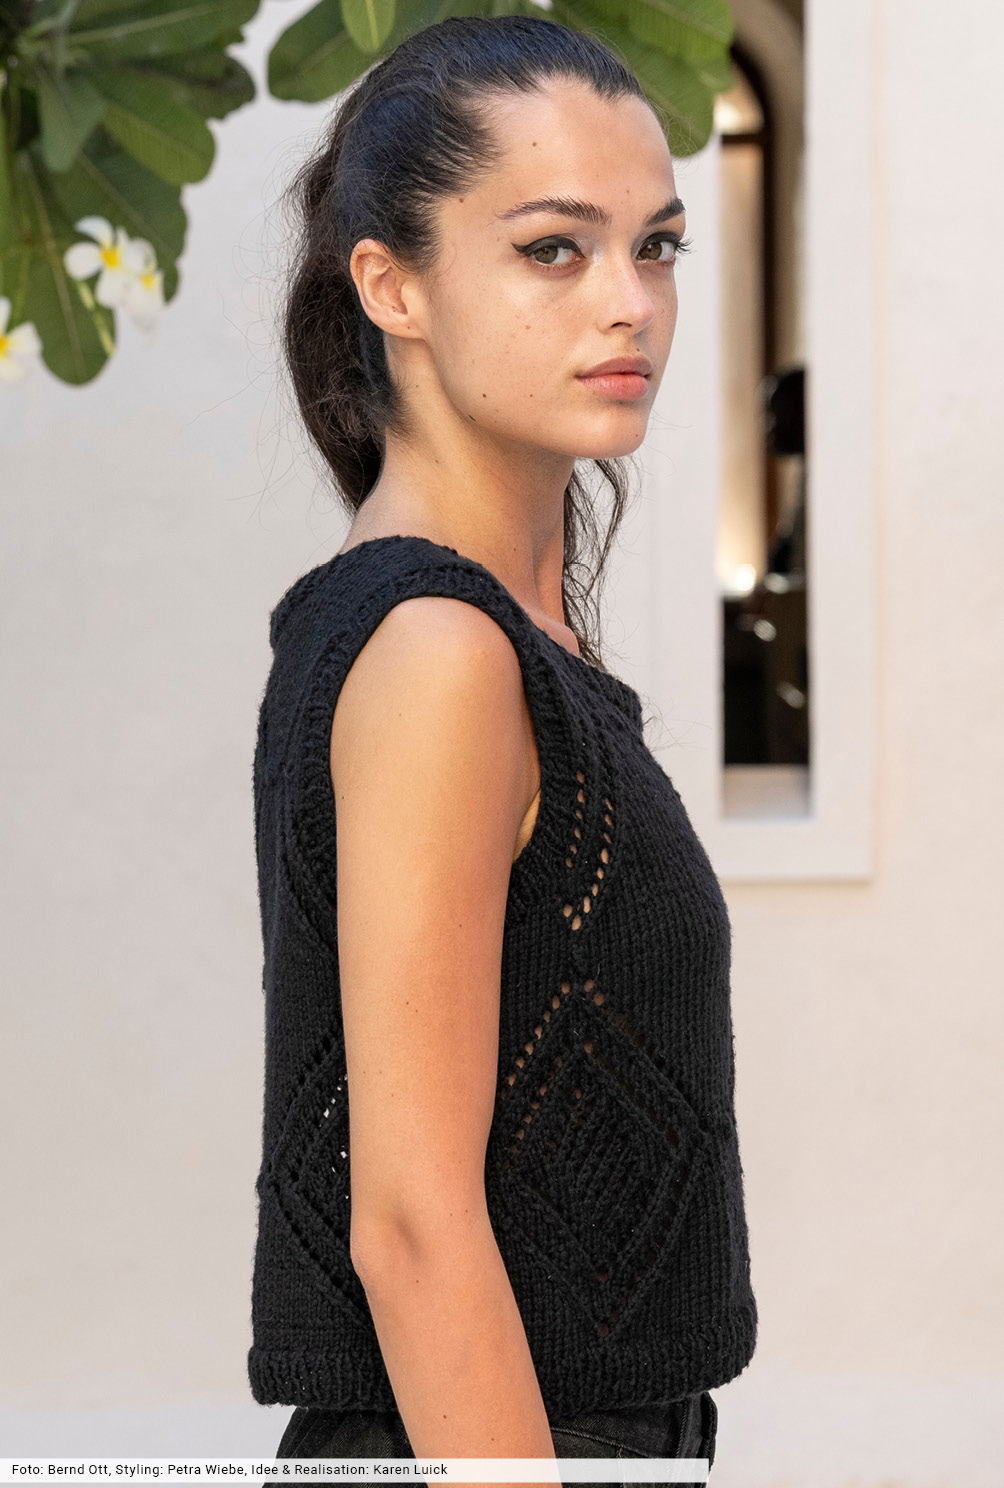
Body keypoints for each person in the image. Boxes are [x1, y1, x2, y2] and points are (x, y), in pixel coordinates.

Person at [248, 15, 757, 1486]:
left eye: (657, 247)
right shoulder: (438, 651)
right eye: (554, 249)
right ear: (391, 285)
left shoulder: (499, 639)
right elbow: (411, 1228)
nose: (631, 304)